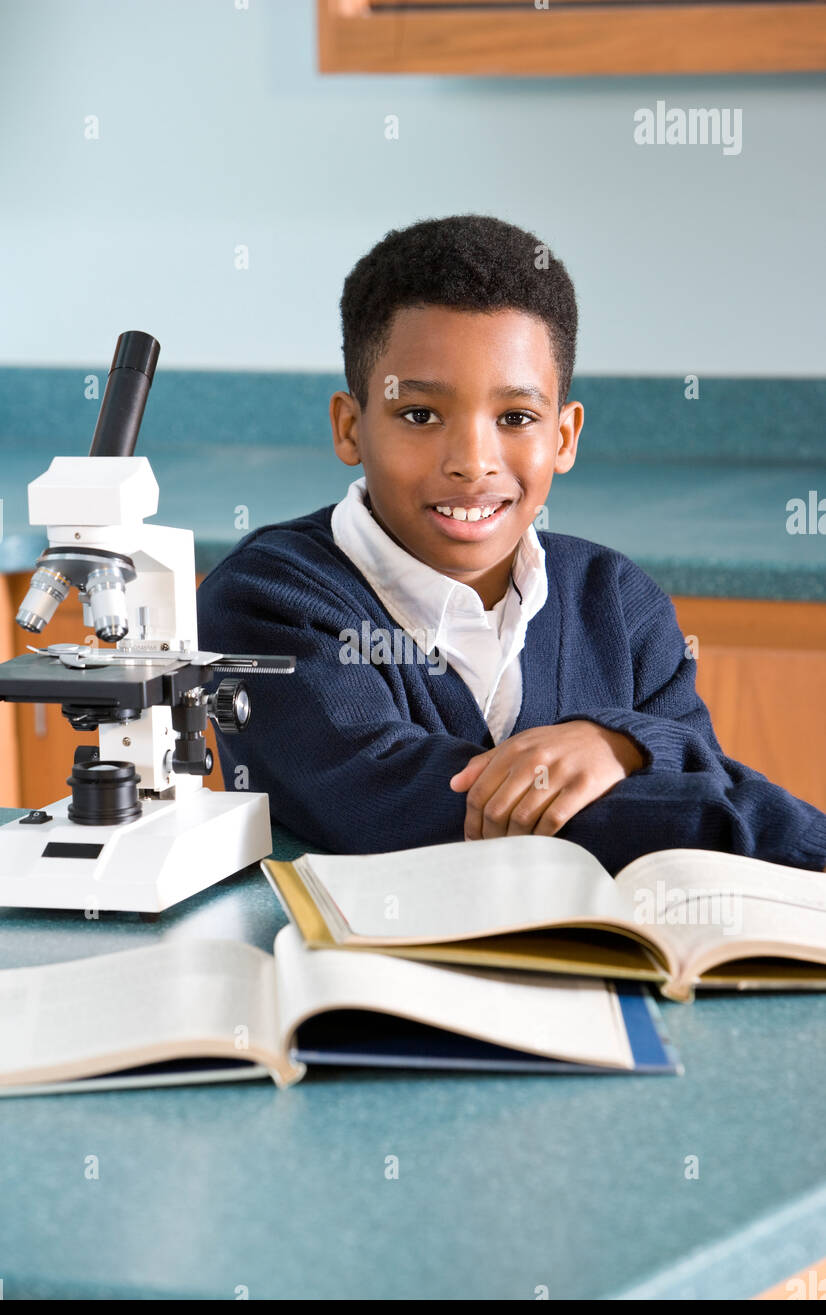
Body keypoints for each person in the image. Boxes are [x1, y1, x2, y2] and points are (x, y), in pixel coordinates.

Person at [197, 214, 826, 874]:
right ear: (351, 427)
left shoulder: (618, 603)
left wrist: (619, 744)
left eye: (516, 417)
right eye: (420, 415)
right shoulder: (266, 602)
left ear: (564, 435)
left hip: (603, 969)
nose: (473, 462)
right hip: (361, 973)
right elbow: (401, 805)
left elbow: (699, 769)